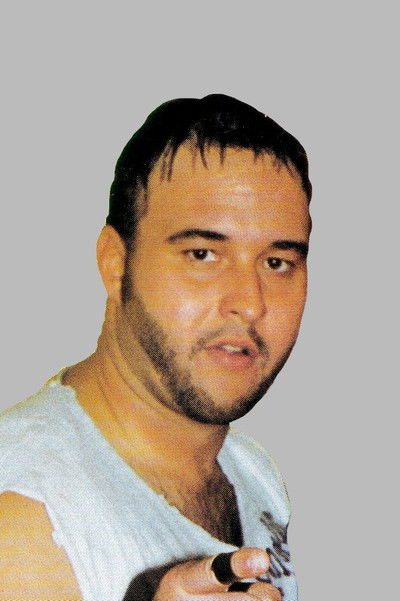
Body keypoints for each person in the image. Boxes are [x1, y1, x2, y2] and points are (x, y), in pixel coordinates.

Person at [0, 94, 312, 601]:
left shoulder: (252, 473)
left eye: (277, 263)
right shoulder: (26, 523)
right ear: (115, 263)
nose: (250, 303)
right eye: (202, 254)